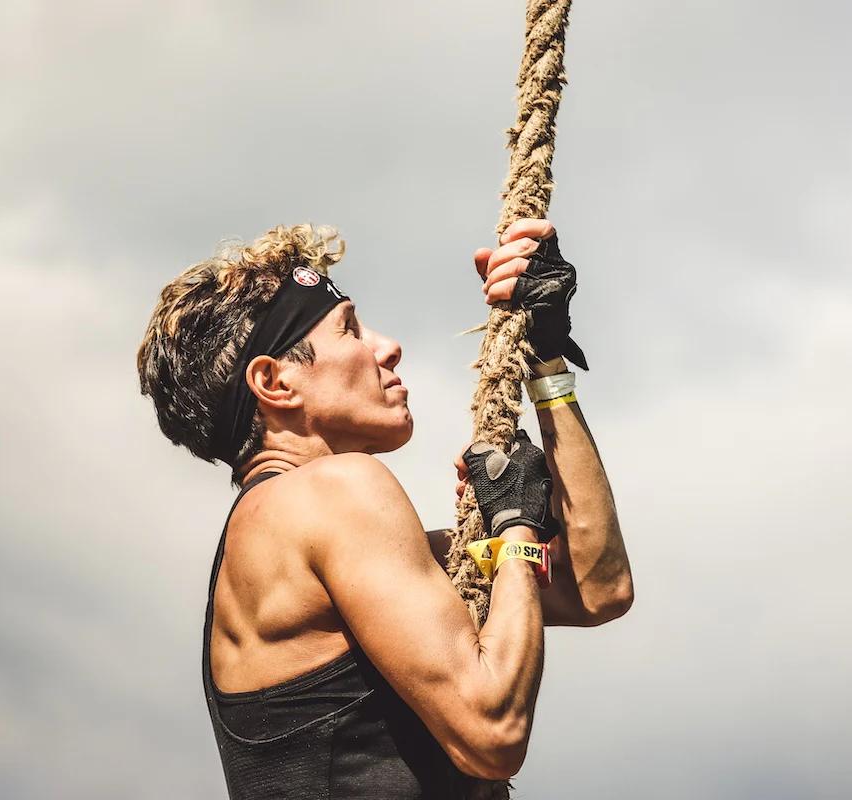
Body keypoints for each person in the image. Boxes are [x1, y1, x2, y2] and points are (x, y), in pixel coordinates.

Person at [136, 217, 633, 799]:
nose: (387, 347)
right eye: (349, 330)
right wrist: (516, 527)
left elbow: (596, 584)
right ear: (274, 382)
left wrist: (545, 364)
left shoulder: (293, 532)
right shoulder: (334, 492)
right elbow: (492, 732)